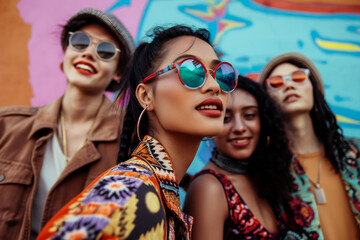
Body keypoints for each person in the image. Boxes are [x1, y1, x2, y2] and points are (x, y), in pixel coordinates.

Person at [37, 24, 238, 239]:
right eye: (191, 70)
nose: (214, 86)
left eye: (221, 74)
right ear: (146, 97)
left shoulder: (158, 190)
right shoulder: (131, 190)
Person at [0, 8, 135, 240]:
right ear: (66, 56)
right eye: (80, 42)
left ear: (118, 72)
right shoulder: (7, 126)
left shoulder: (133, 137)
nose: (89, 53)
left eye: (105, 51)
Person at [183, 75, 303, 239]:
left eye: (249, 115)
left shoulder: (264, 177)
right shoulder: (208, 187)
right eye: (225, 118)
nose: (239, 128)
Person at [257, 52, 360, 239]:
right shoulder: (267, 170)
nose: (288, 85)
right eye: (277, 82)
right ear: (267, 100)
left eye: (298, 77)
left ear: (313, 88)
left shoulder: (355, 153)